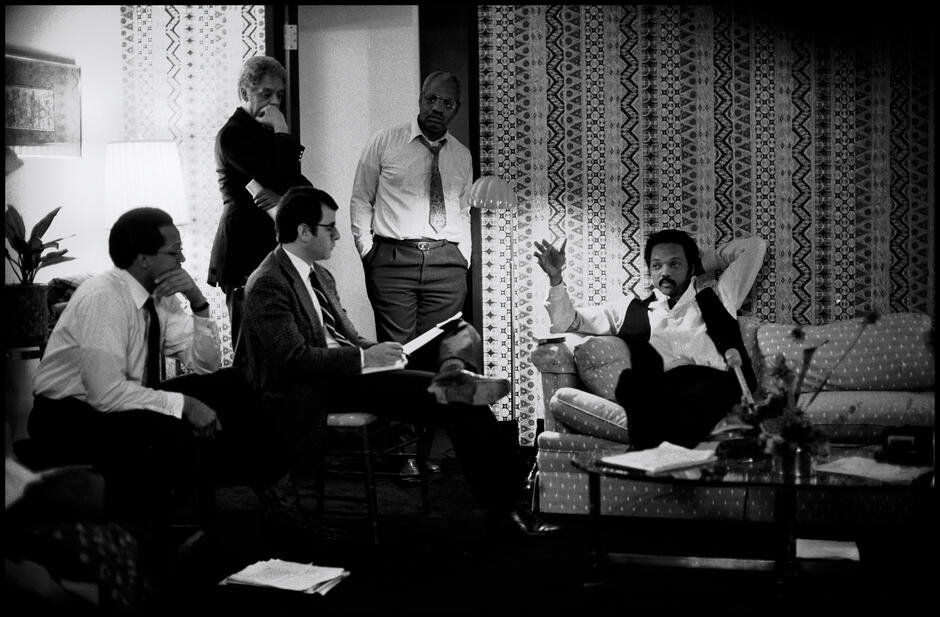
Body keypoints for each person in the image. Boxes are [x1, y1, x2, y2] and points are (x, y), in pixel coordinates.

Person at [238, 186, 560, 537]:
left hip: (353, 371)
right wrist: (365, 357)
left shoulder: (320, 276)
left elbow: (350, 336)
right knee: (460, 402)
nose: (337, 235)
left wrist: (382, 351)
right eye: (329, 228)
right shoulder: (269, 281)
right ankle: (506, 507)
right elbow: (293, 360)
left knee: (458, 329)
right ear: (304, 231)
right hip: (317, 388)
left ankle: (455, 373)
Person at [28, 207, 330, 564]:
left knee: (229, 384)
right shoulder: (104, 298)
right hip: (68, 415)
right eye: (174, 252)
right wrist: (185, 405)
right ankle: (149, 548)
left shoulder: (162, 296)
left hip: (119, 400)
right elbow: (105, 393)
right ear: (143, 258)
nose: (182, 259)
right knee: (169, 427)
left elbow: (206, 365)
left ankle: (281, 508)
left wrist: (198, 303)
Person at [534, 229, 767, 449]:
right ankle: (672, 449)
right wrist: (555, 278)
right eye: (657, 265)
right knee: (634, 389)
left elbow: (754, 247)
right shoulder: (628, 309)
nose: (664, 272)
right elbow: (566, 322)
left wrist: (701, 264)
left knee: (682, 403)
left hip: (717, 389)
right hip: (664, 395)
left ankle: (661, 446)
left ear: (691, 267)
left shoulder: (720, 297)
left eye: (674, 264)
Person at [349, 70, 473, 370]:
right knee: (398, 355)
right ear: (420, 99)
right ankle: (402, 405)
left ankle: (433, 405)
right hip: (392, 261)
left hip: (447, 264)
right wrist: (368, 251)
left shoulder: (462, 155)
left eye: (447, 103)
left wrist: (463, 257)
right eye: (431, 99)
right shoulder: (385, 141)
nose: (437, 108)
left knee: (440, 351)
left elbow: (463, 210)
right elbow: (361, 199)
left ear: (455, 108)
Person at [208, 55, 310, 345]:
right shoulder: (232, 135)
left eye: (279, 95)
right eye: (266, 94)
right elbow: (281, 176)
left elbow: (301, 188)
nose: (275, 103)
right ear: (244, 93)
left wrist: (283, 195)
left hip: (270, 245)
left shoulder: (265, 133)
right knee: (249, 346)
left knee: (280, 342)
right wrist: (282, 130)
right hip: (243, 247)